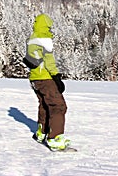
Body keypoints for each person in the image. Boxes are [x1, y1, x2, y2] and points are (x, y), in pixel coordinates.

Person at [25, 13, 70, 151]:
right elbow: (49, 59)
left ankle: (41, 132)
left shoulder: (32, 38)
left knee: (44, 105)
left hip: (34, 78)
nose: (51, 30)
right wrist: (56, 76)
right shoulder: (44, 37)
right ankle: (55, 138)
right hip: (45, 77)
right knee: (58, 106)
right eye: (50, 27)